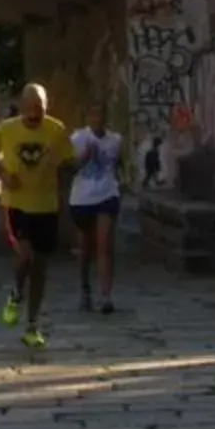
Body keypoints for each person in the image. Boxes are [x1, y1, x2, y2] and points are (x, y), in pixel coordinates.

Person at [0, 84, 71, 349]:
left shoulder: (56, 130)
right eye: (32, 107)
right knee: (25, 257)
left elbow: (68, 161)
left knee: (41, 267)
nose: (36, 113)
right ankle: (16, 292)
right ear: (22, 106)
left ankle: (32, 325)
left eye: (41, 108)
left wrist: (65, 197)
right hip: (17, 204)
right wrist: (3, 174)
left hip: (46, 205)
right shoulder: (8, 129)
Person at [69, 102, 125, 314]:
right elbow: (70, 168)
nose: (97, 119)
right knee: (86, 248)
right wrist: (84, 158)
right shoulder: (78, 139)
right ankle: (85, 288)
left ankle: (106, 295)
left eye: (100, 115)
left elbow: (118, 164)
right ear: (88, 117)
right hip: (82, 199)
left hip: (107, 195)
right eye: (93, 115)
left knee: (104, 245)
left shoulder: (115, 140)